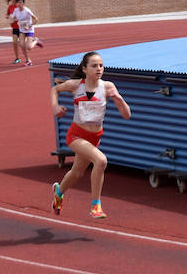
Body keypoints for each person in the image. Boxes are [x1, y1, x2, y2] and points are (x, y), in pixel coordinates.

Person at [51, 51, 131, 219]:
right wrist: (55, 107)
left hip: (95, 137)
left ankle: (59, 191)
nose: (99, 69)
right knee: (101, 161)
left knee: (77, 173)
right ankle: (96, 206)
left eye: (101, 65)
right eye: (94, 66)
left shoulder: (108, 87)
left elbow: (126, 115)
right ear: (85, 69)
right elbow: (55, 89)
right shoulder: (75, 85)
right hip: (76, 135)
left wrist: (118, 98)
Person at [10, 0, 41, 66]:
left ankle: (36, 40)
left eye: (21, 2)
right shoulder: (16, 10)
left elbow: (36, 19)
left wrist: (29, 26)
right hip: (22, 30)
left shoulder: (27, 10)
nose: (19, 4)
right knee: (22, 45)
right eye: (18, 2)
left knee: (29, 47)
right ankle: (28, 60)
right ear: (16, 3)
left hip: (29, 30)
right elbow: (12, 18)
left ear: (23, 3)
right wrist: (13, 20)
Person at [4, 0, 24, 64]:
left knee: (23, 44)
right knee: (14, 42)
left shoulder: (18, 6)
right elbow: (7, 15)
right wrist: (7, 17)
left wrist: (16, 18)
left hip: (21, 27)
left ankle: (34, 40)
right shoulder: (10, 7)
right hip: (14, 27)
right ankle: (17, 58)